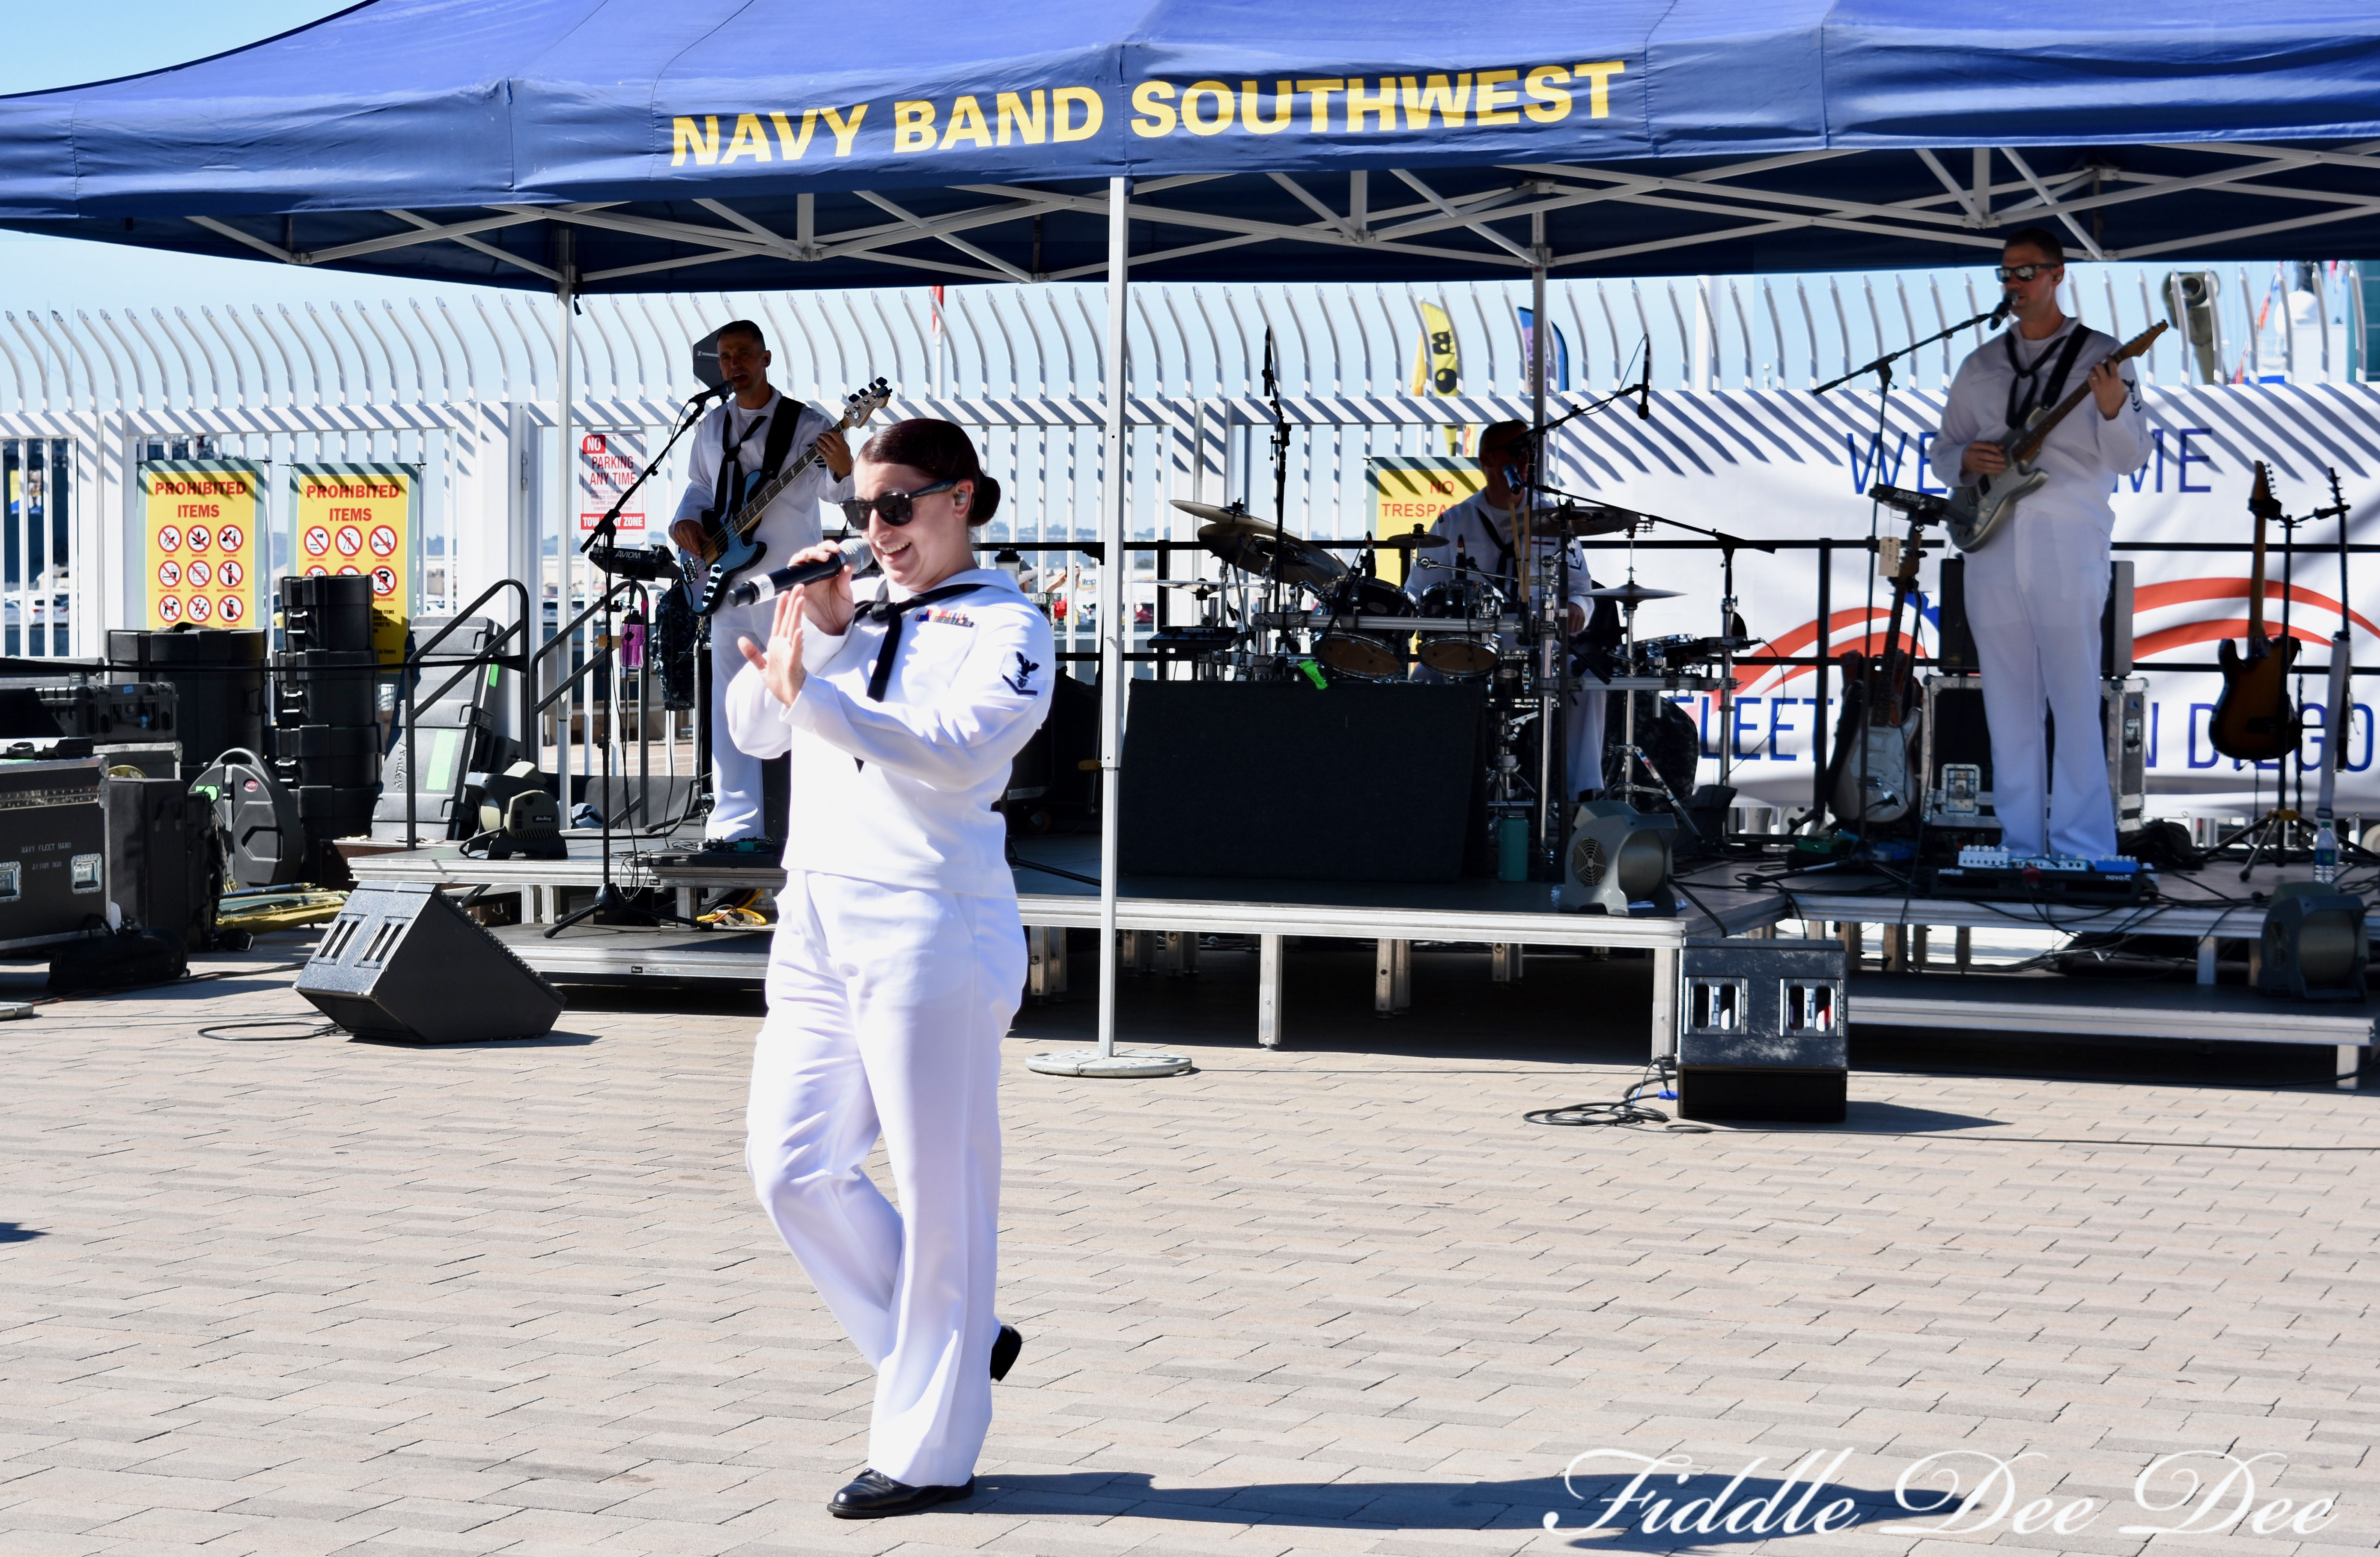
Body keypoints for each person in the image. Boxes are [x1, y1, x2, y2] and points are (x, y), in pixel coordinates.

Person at [728, 419, 1053, 1518]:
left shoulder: (1011, 623)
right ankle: (959, 1340)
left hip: (930, 920)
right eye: (862, 511)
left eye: (898, 508)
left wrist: (812, 689)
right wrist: (811, 638)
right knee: (790, 1166)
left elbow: (955, 749)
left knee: (943, 1187)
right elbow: (751, 724)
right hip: (816, 909)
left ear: (960, 499)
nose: (877, 531)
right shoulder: (849, 608)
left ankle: (930, 1449)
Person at [1930, 227, 2149, 861]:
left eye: (2026, 272)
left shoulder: (2102, 355)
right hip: (1992, 542)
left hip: (2066, 536)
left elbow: (2131, 456)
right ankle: (2020, 842)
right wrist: (1962, 459)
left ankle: (2082, 843)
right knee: (2005, 700)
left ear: (2057, 275)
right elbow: (1945, 450)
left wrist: (2112, 407)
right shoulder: (1980, 365)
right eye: (2005, 274)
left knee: (2074, 692)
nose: (2013, 285)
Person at [670, 319, 855, 844]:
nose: (735, 365)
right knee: (731, 704)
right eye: (727, 357)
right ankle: (732, 827)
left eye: (745, 354)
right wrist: (686, 523)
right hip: (727, 583)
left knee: (805, 700)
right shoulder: (709, 427)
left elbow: (838, 495)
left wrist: (844, 468)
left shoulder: (805, 424)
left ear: (766, 357)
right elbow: (700, 488)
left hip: (791, 587)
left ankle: (815, 827)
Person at [1406, 419, 1618, 799]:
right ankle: (1425, 793)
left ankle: (1584, 792)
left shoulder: (1556, 519)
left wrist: (1576, 608)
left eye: (1528, 453)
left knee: (1585, 683)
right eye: (1514, 451)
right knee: (1420, 684)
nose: (1523, 460)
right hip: (1471, 648)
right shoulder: (1452, 521)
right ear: (1486, 459)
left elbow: (1584, 588)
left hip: (1541, 647)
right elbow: (1417, 592)